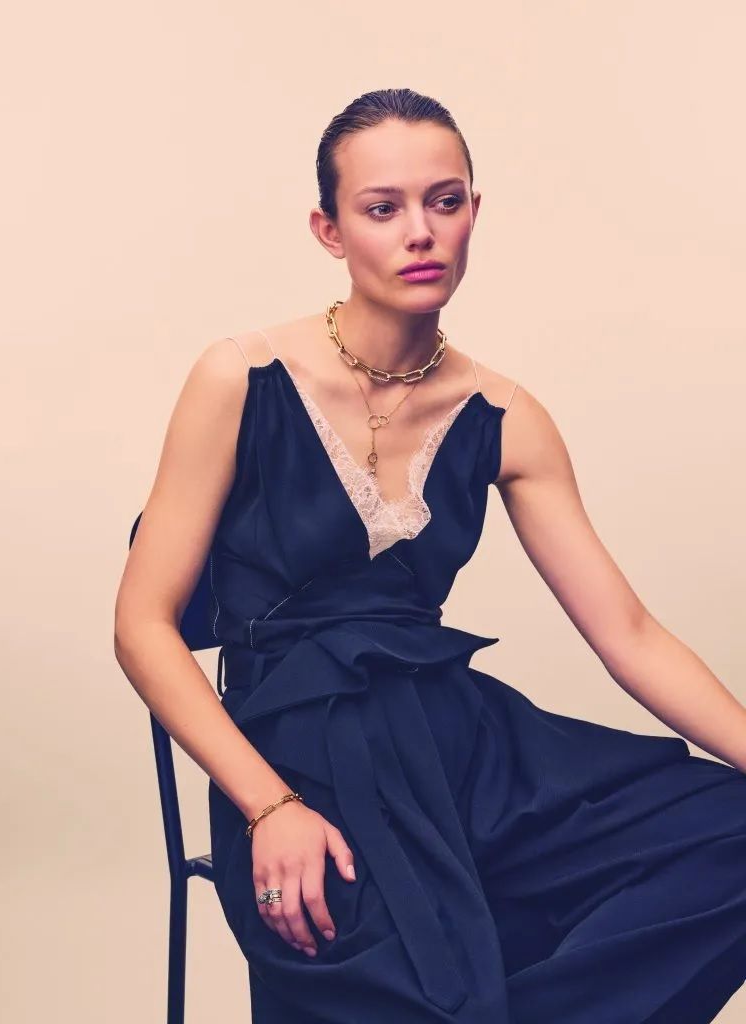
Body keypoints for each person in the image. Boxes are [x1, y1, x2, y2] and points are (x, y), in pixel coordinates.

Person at [114, 88, 746, 1022]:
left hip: (464, 745)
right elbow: (142, 627)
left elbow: (630, 635)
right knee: (429, 988)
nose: (421, 232)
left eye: (444, 202)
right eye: (383, 208)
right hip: (298, 752)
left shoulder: (506, 416)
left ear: (473, 213)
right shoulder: (239, 378)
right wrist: (268, 806)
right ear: (330, 231)